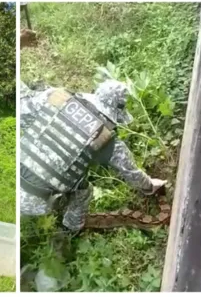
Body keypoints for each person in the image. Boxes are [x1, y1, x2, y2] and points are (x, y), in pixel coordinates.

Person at [19, 79, 167, 233]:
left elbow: (22, 112)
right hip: (38, 203)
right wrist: (150, 185)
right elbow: (130, 171)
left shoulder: (56, 97)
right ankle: (70, 229)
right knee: (84, 190)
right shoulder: (105, 137)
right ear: (116, 111)